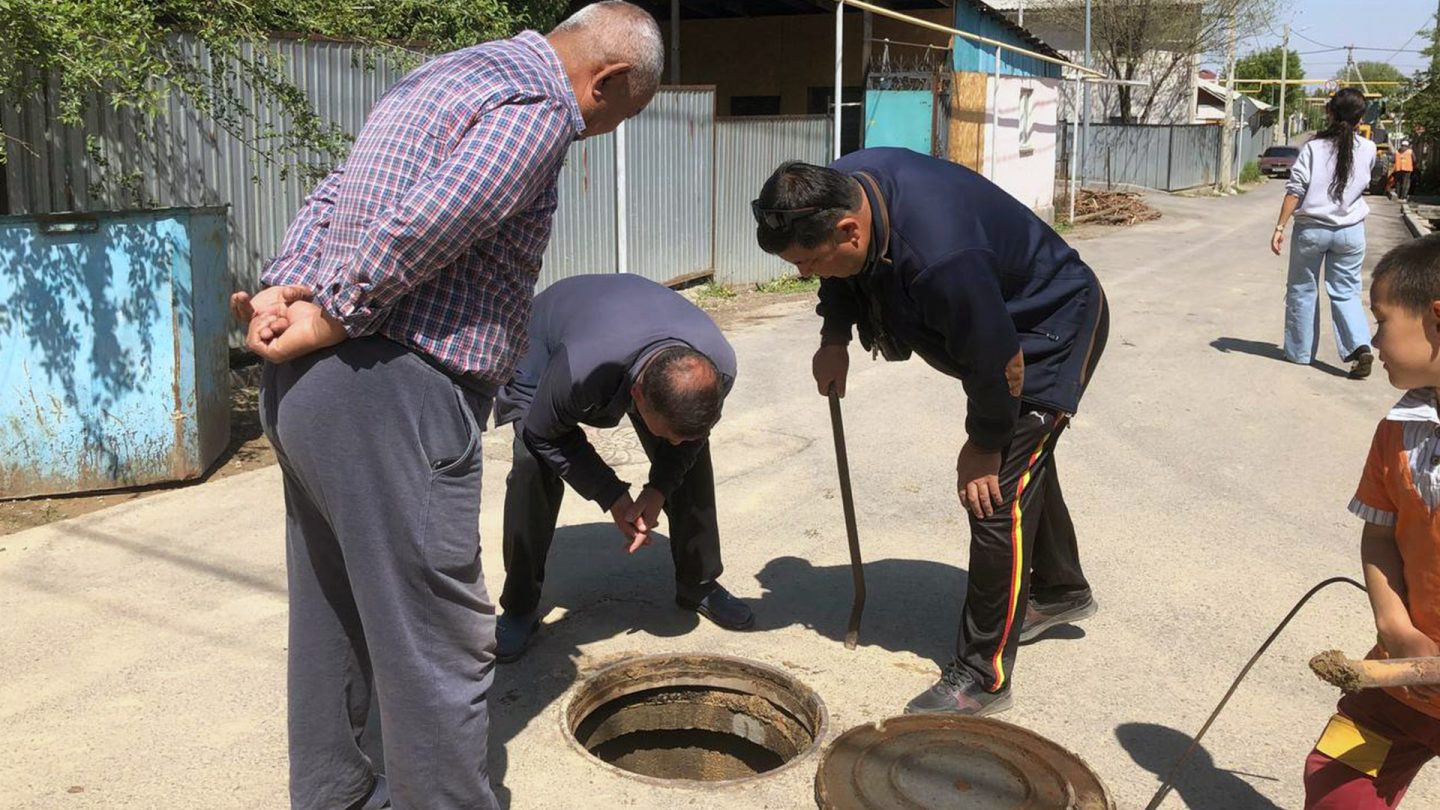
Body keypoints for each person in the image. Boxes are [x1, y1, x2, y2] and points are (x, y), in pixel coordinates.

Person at [228, 4, 663, 808]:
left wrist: (287, 286)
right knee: (438, 643)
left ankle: (341, 797)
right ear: (607, 82)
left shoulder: (450, 74)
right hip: (392, 393)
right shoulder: (541, 111)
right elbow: (440, 217)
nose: (602, 131)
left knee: (335, 621)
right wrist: (333, 311)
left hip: (311, 398)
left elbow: (337, 189)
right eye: (619, 117)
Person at [752, 150, 1107, 717]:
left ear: (850, 228)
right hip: (994, 324)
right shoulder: (838, 189)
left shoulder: (943, 256)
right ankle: (1062, 591)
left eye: (811, 262)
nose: (805, 274)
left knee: (995, 493)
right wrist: (834, 337)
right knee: (1025, 467)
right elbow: (845, 274)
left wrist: (984, 444)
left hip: (1046, 331)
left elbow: (998, 363)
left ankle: (983, 674)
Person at [492, 273, 753, 661]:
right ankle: (519, 605)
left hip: (627, 324)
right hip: (546, 338)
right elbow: (544, 433)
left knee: (692, 453)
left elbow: (688, 441)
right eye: (666, 433)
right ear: (636, 397)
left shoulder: (719, 366)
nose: (675, 443)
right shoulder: (579, 369)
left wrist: (659, 488)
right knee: (532, 461)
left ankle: (698, 582)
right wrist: (613, 495)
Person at [1303, 234, 1440, 808]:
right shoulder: (1397, 430)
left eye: (1381, 321)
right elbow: (1381, 532)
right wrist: (1396, 629)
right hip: (1400, 682)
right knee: (1333, 773)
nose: (1373, 340)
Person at [1271, 87, 1378, 379]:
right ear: (1360, 118)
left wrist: (1280, 226)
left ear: (1329, 112)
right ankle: (1359, 346)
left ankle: (1300, 352)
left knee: (1302, 289)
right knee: (1346, 292)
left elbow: (1296, 189)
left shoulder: (1313, 147)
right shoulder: (1368, 149)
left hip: (1312, 230)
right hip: (1351, 232)